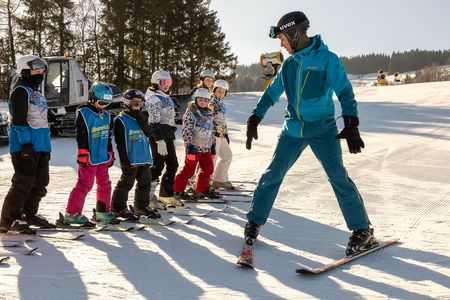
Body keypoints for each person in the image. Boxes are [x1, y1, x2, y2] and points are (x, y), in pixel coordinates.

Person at [244, 11, 375, 256]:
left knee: (338, 176)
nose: (281, 43)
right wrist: (255, 117)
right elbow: (272, 93)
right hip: (292, 130)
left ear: (294, 33)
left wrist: (351, 122)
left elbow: (344, 91)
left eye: (283, 38)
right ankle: (254, 221)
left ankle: (362, 230)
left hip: (323, 129)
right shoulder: (289, 65)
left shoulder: (327, 59)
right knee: (272, 174)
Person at [0, 55, 53, 234]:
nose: (40, 74)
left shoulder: (37, 93)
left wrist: (46, 148)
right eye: (36, 70)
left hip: (40, 146)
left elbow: (42, 122)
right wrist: (25, 145)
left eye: (42, 70)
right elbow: (19, 120)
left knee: (40, 183)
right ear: (24, 70)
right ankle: (8, 220)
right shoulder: (21, 91)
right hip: (25, 147)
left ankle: (28, 214)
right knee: (23, 183)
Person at [63, 82, 118, 225]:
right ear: (92, 98)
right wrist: (82, 151)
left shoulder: (106, 115)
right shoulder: (84, 113)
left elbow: (107, 135)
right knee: (84, 185)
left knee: (105, 184)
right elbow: (81, 134)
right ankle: (72, 213)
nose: (104, 106)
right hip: (89, 157)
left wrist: (110, 151)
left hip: (102, 157)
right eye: (101, 102)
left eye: (107, 103)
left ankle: (102, 211)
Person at [111, 89, 160, 219]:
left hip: (144, 156)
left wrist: (139, 117)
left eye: (140, 102)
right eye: (135, 102)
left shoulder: (142, 117)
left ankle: (141, 206)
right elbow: (120, 143)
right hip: (130, 158)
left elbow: (149, 133)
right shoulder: (120, 120)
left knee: (145, 183)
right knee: (126, 183)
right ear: (127, 102)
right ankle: (118, 208)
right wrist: (125, 161)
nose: (138, 105)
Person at [145, 70, 182, 208]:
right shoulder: (154, 99)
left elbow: (170, 119)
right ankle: (146, 197)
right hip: (158, 136)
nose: (166, 85)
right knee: (158, 165)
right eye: (163, 82)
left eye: (168, 82)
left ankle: (166, 195)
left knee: (173, 164)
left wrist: (170, 133)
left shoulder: (167, 98)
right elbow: (153, 122)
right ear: (156, 83)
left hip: (167, 135)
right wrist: (159, 140)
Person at [173, 88, 217, 201]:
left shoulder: (209, 114)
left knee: (208, 169)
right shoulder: (191, 113)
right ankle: (177, 190)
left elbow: (211, 130)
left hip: (206, 147)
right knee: (189, 170)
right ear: (196, 99)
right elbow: (186, 130)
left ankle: (201, 190)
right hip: (194, 147)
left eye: (205, 100)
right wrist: (189, 145)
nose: (203, 102)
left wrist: (212, 145)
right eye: (200, 99)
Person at [209, 79, 234, 190]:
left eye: (224, 92)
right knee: (212, 158)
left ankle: (219, 179)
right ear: (214, 90)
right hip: (213, 134)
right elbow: (208, 119)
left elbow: (223, 120)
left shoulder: (221, 103)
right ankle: (205, 181)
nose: (221, 93)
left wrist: (226, 134)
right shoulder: (211, 102)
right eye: (219, 91)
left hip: (221, 134)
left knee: (227, 155)